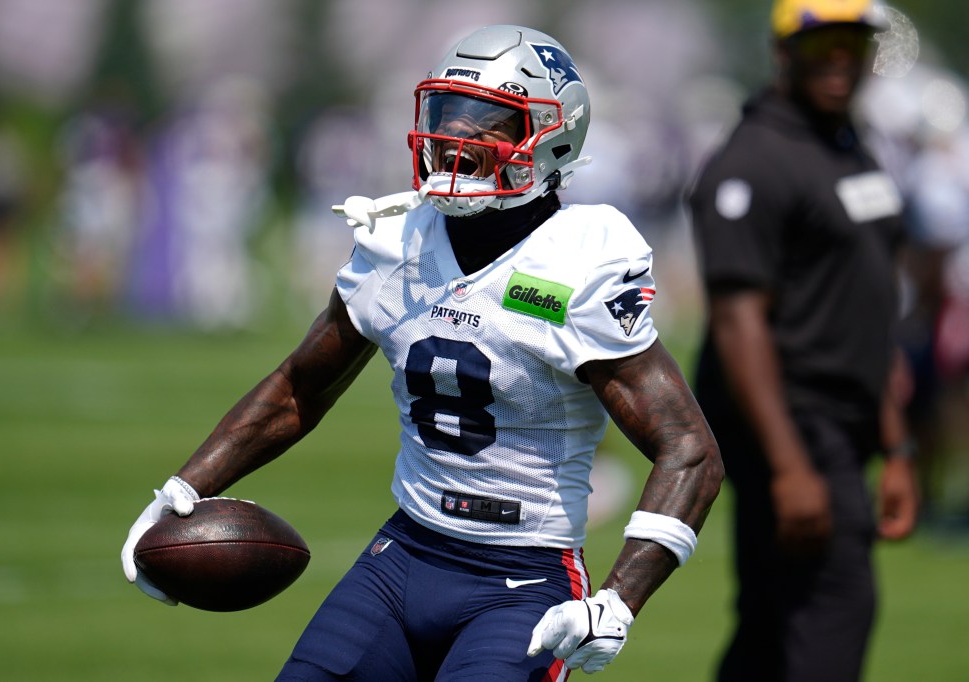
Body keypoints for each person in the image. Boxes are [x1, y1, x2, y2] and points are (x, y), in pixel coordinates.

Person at [122, 24, 723, 680]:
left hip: (524, 580)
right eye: (447, 113)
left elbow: (689, 449)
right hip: (401, 559)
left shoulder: (579, 261)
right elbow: (298, 388)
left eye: (487, 121)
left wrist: (617, 602)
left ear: (552, 137)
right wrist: (183, 488)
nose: (456, 137)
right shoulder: (398, 243)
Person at [687, 2, 919, 680]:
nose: (841, 61)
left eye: (855, 45)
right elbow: (738, 322)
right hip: (790, 424)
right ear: (784, 51)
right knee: (835, 604)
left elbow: (866, 311)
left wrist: (896, 445)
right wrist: (789, 465)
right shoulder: (753, 160)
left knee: (773, 624)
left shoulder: (846, 145)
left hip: (844, 423)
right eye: (823, 44)